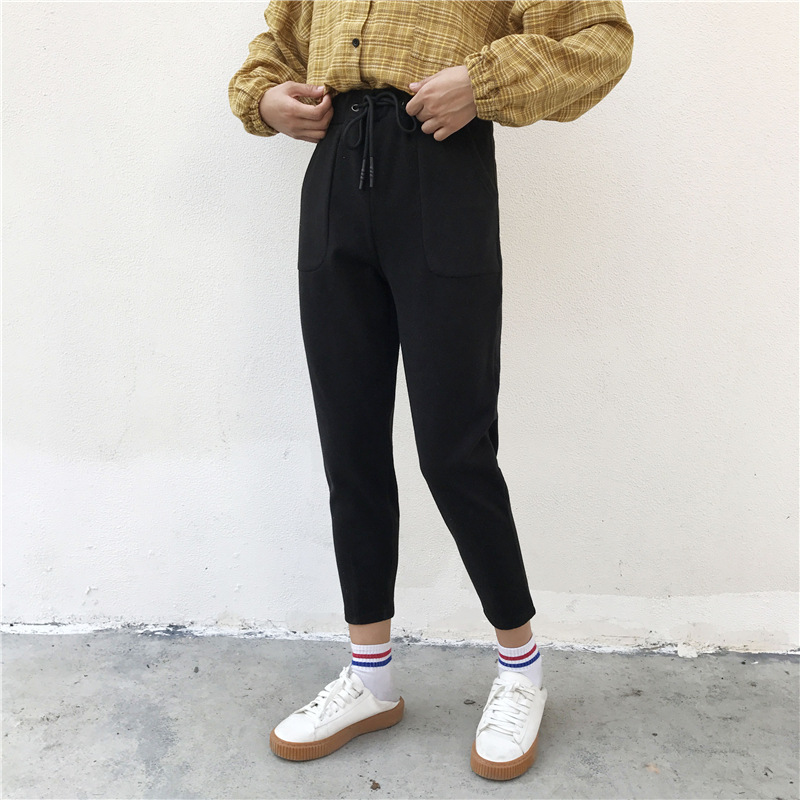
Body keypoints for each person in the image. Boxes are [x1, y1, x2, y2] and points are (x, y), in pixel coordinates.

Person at [228, 0, 633, 782]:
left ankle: (521, 668)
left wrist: (482, 83)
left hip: (440, 173)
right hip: (334, 181)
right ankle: (370, 676)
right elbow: (278, 44)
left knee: (454, 448)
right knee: (349, 445)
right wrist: (267, 97)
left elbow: (600, 39)